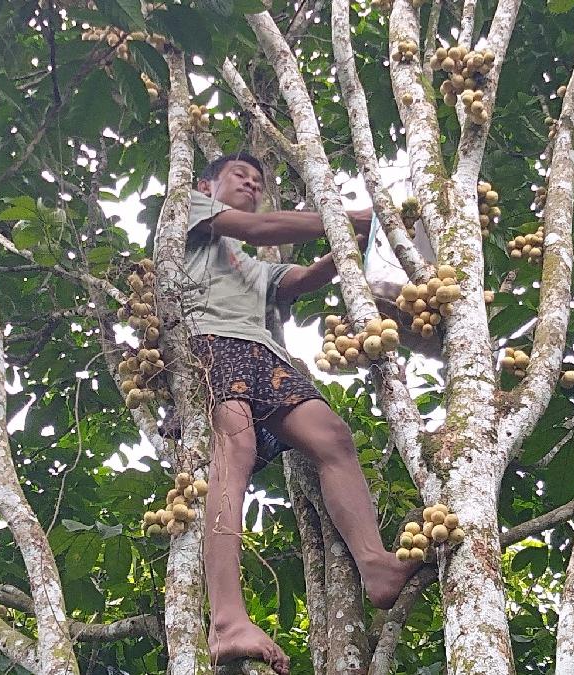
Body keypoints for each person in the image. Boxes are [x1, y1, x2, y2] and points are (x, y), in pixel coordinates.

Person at [176, 152, 422, 673]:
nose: (251, 184)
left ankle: (375, 564)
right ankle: (227, 619)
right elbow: (262, 227)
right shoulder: (189, 209)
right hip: (208, 343)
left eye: (259, 181)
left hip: (262, 351)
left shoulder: (248, 264)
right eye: (239, 176)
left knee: (332, 437)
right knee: (234, 450)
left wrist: (356, 244)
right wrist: (361, 217)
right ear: (207, 184)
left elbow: (302, 280)